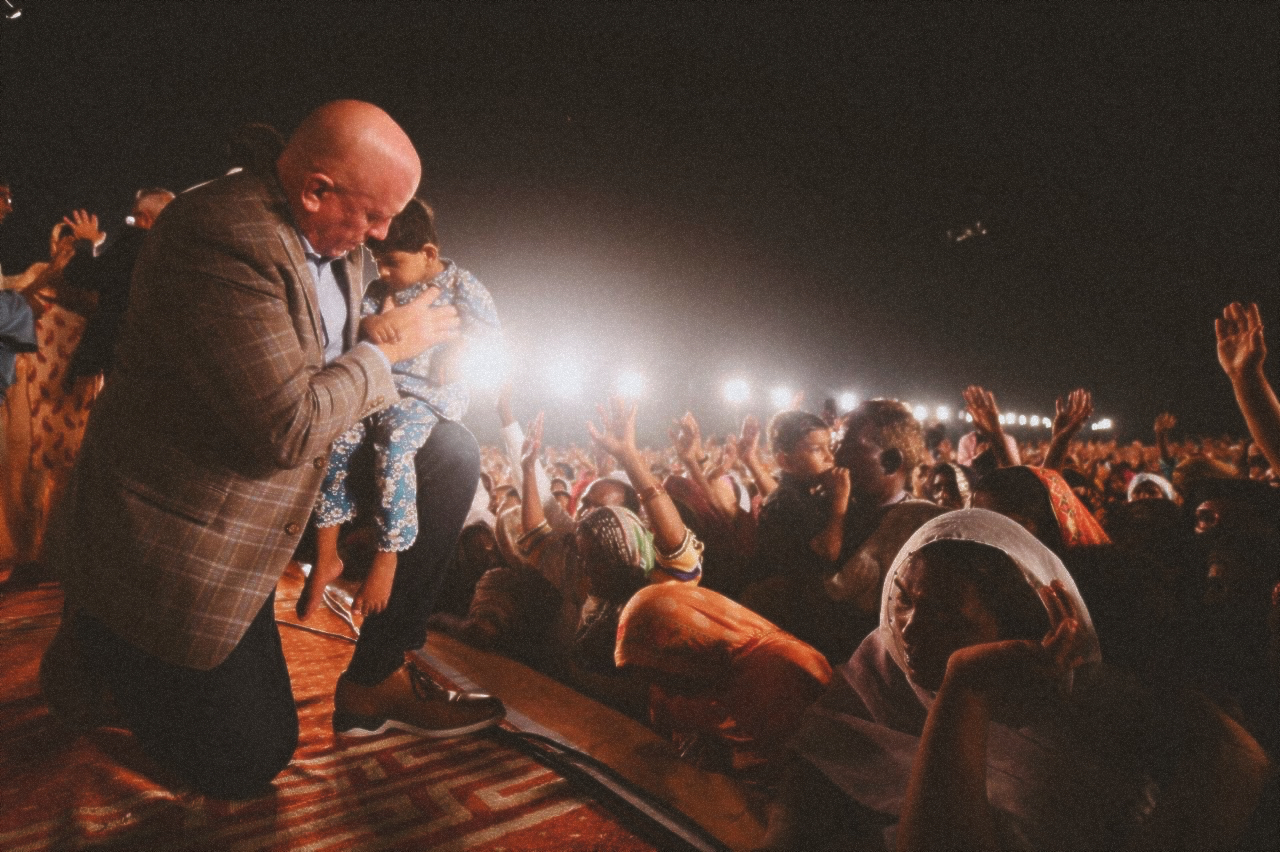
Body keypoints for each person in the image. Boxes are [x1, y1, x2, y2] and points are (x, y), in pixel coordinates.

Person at [41, 101, 502, 800]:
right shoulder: (222, 236)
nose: (381, 237)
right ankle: (99, 645)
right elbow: (283, 428)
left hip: (275, 488)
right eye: (375, 216)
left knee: (449, 453)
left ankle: (375, 679)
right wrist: (387, 350)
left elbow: (324, 362)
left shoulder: (335, 245)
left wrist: (381, 344)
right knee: (248, 757)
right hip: (189, 530)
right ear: (316, 189)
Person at [782, 509, 1271, 851]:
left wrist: (963, 687)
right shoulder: (872, 677)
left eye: (946, 614)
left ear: (1014, 625)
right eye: (903, 597)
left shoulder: (1083, 727)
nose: (907, 628)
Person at [300, 198, 499, 619]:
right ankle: (325, 553)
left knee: (394, 442)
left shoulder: (464, 287)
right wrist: (373, 325)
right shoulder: (378, 291)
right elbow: (361, 323)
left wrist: (462, 347)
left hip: (427, 397)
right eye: (377, 263)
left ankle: (387, 555)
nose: (384, 273)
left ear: (428, 254)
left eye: (391, 263)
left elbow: (491, 337)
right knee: (337, 440)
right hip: (377, 388)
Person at [63, 189, 175, 384]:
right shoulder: (173, 255)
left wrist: (86, 242)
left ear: (144, 218)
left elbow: (81, 275)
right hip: (162, 354)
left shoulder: (136, 243)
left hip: (122, 350)